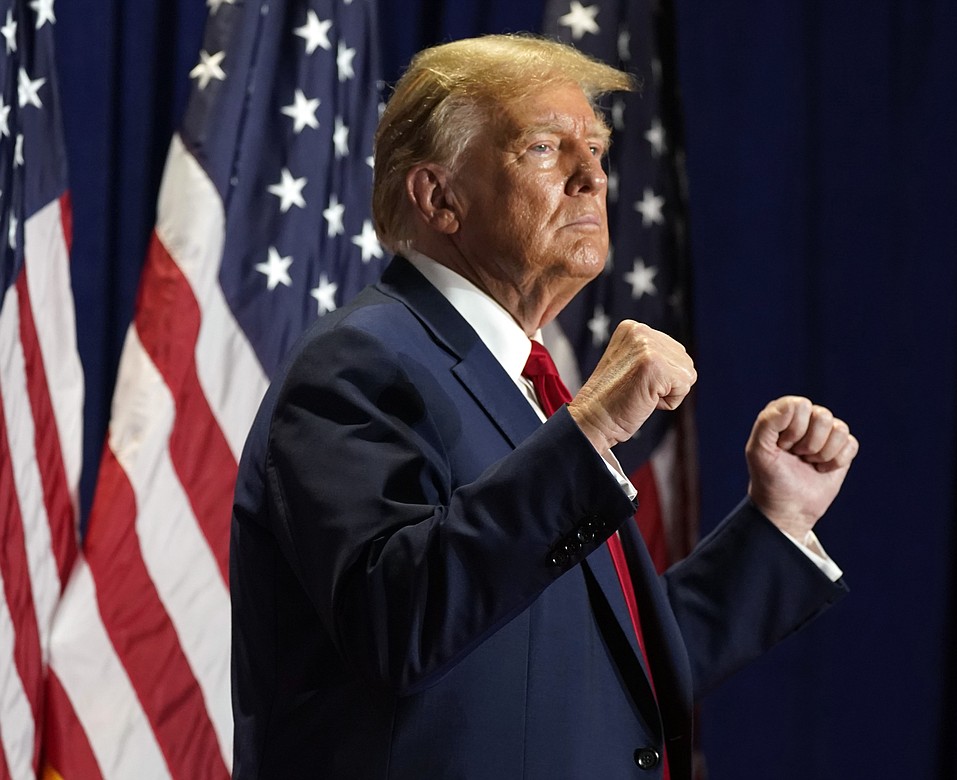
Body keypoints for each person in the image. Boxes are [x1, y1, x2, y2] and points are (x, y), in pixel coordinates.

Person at [230, 34, 860, 779]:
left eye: (593, 148)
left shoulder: (522, 385)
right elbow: (398, 621)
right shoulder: (359, 364)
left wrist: (776, 524)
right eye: (543, 148)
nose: (592, 176)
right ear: (440, 198)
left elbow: (609, 665)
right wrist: (590, 429)